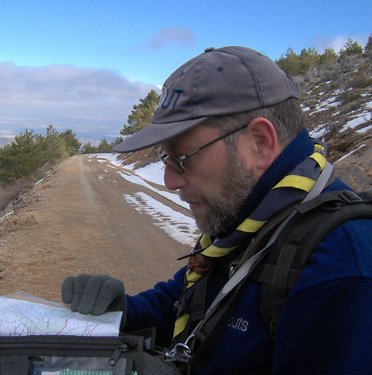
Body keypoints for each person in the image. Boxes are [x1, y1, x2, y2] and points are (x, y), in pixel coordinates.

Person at [61, 46, 372, 374]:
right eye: (165, 159)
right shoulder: (254, 217)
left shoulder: (341, 275)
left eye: (182, 157)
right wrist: (125, 312)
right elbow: (192, 301)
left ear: (260, 143)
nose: (169, 181)